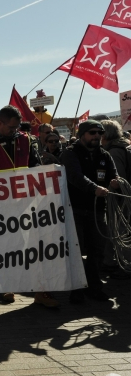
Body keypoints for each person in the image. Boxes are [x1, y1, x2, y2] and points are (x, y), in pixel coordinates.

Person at [0, 105, 58, 308]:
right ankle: (7, 284)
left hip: (27, 204)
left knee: (35, 247)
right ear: (0, 123)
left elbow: (34, 167)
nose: (15, 130)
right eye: (11, 127)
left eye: (17, 127)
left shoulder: (26, 140)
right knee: (5, 248)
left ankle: (40, 291)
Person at [61, 121, 120, 303]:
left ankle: (94, 287)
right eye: (92, 132)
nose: (97, 136)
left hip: (97, 210)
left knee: (97, 250)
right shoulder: (70, 153)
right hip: (75, 209)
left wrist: (115, 182)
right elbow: (75, 176)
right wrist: (94, 188)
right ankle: (76, 289)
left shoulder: (104, 155)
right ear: (82, 135)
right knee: (76, 251)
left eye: (99, 133)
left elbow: (113, 174)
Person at [99, 120, 131, 279]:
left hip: (122, 201)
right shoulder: (126, 145)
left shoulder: (114, 152)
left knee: (120, 231)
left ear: (105, 134)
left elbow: (119, 180)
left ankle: (124, 264)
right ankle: (111, 261)